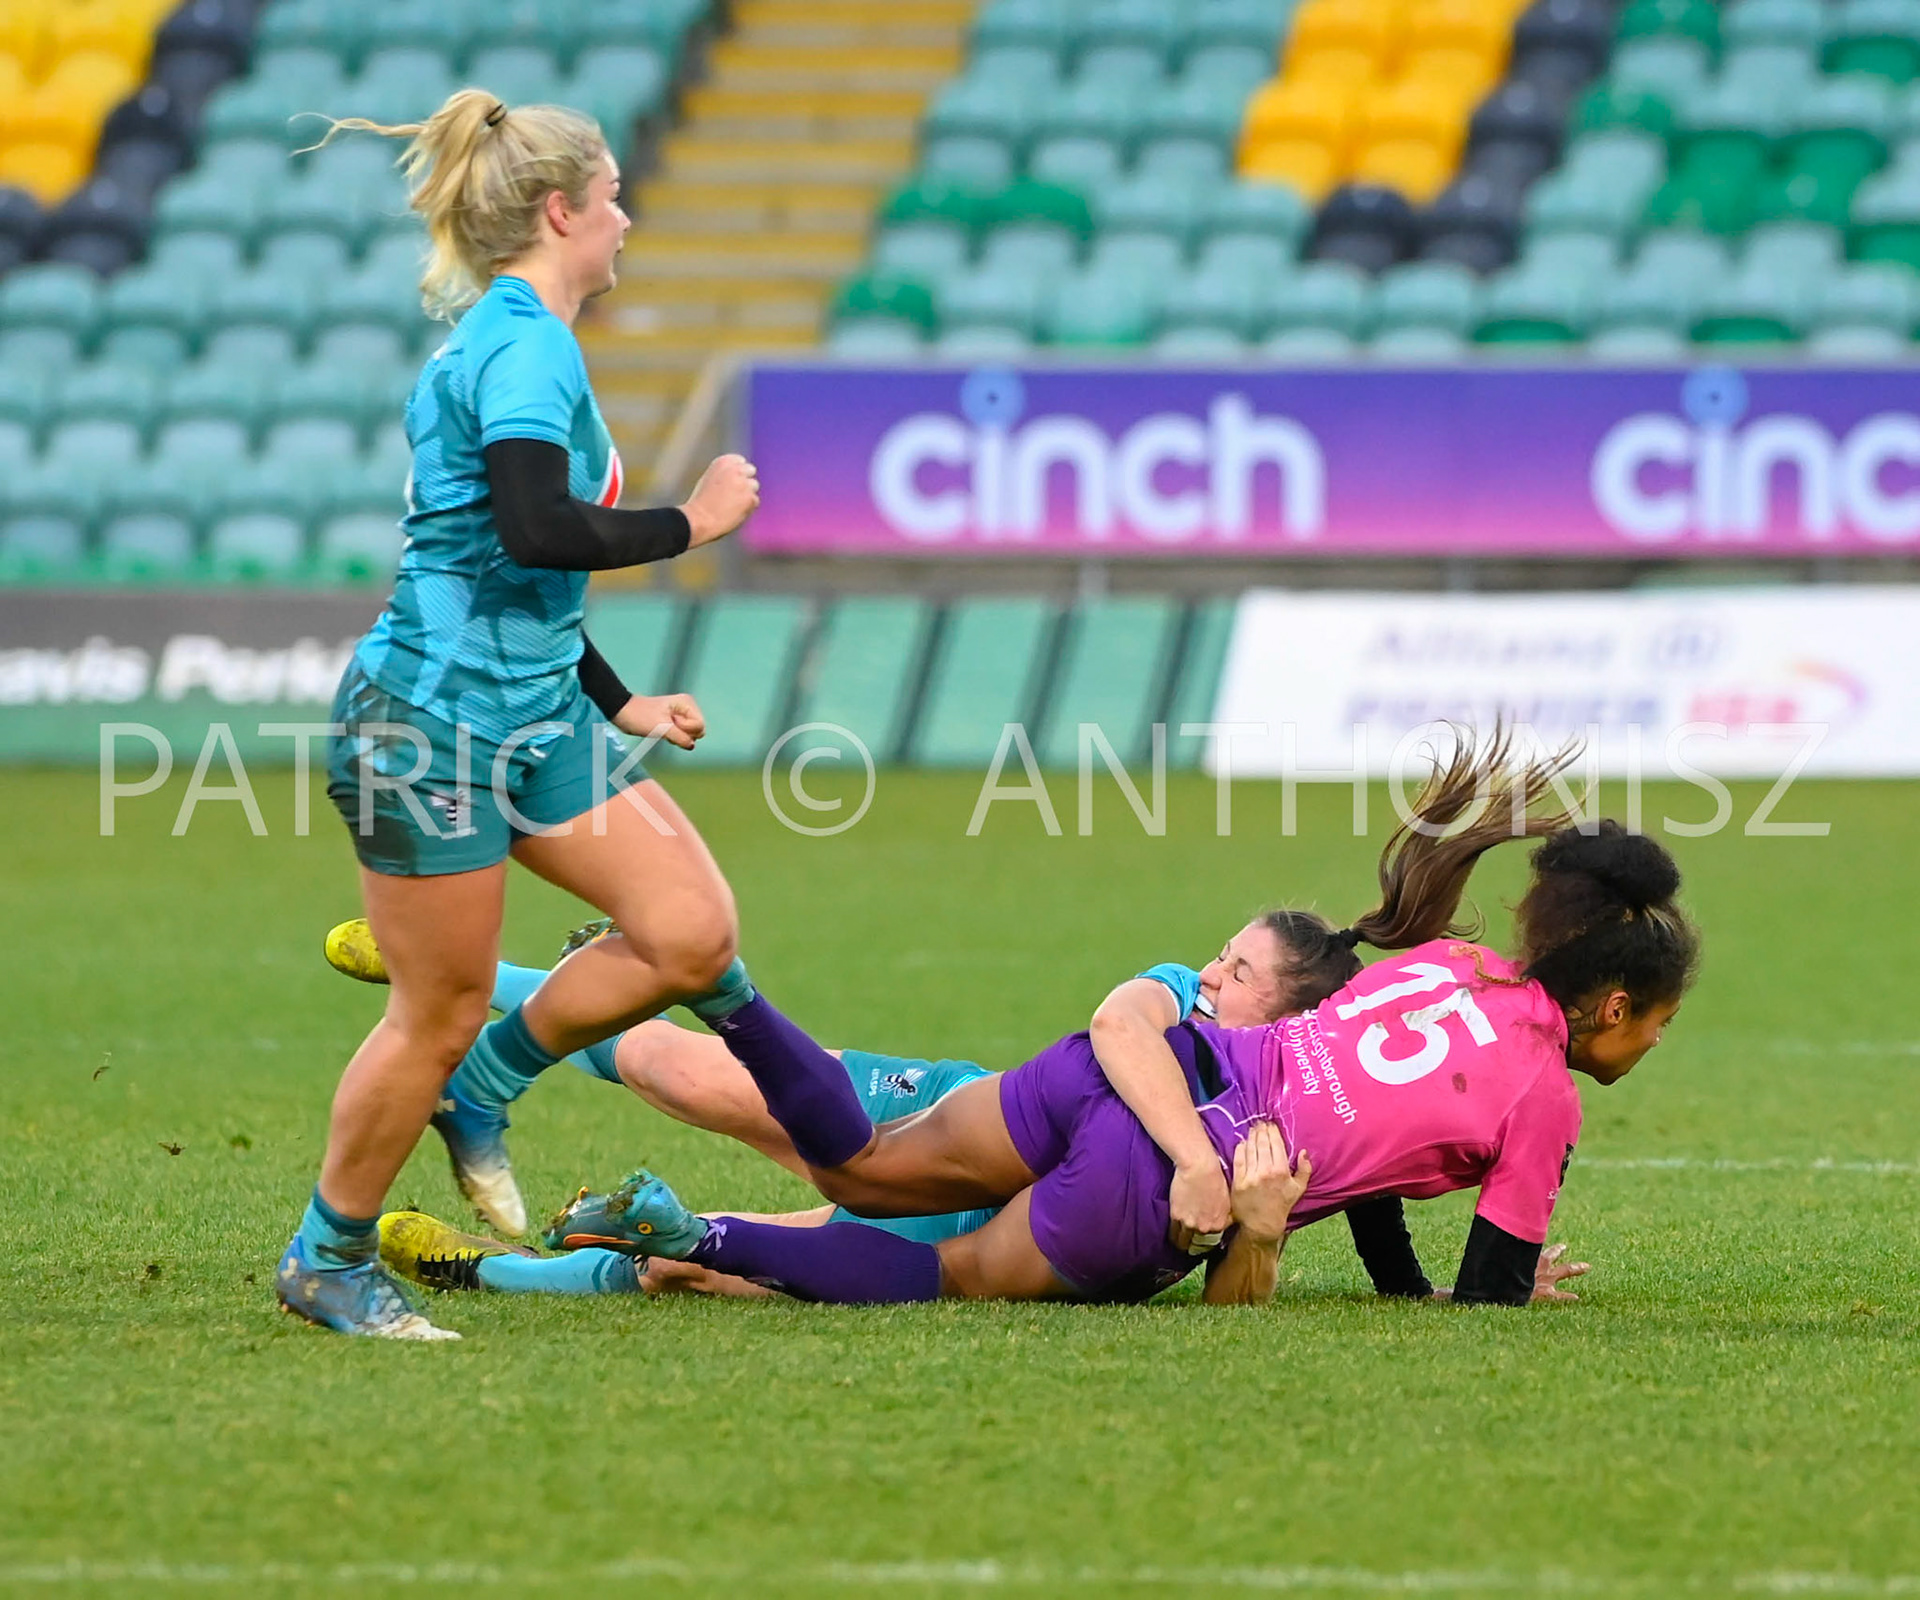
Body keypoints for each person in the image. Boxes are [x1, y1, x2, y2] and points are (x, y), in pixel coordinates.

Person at [539, 732, 1699, 1309]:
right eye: (1654, 1022)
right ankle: (704, 1239)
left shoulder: (1448, 960)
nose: (1652, 1043)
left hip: (1141, 1063)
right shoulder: (1544, 1097)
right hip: (1156, 1179)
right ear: (1607, 1003)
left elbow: (1384, 1142)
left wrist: (1391, 1278)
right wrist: (1487, 1290)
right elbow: (1486, 1300)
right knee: (944, 1273)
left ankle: (732, 994)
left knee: (865, 1168)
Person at [275, 89, 761, 1340]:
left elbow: (515, 572)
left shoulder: (522, 335)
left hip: (532, 711)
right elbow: (543, 527)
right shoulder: (526, 347)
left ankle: (482, 1091)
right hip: (429, 724)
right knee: (429, 1009)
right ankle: (329, 1257)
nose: (626, 217)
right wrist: (692, 524)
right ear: (561, 211)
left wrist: (621, 696)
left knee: (689, 929)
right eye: (611, 198)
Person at [339, 912, 1477, 1300]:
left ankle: (481, 1268)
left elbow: (1330, 1202)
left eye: (1238, 973)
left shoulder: (1281, 1112)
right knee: (683, 1074)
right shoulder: (1175, 998)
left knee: (699, 1267)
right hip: (943, 1115)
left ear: (1283, 1017)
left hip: (996, 1235)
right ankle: (468, 975)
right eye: (1221, 959)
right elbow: (1116, 1022)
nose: (1211, 975)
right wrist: (1189, 1157)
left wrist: (1410, 1281)